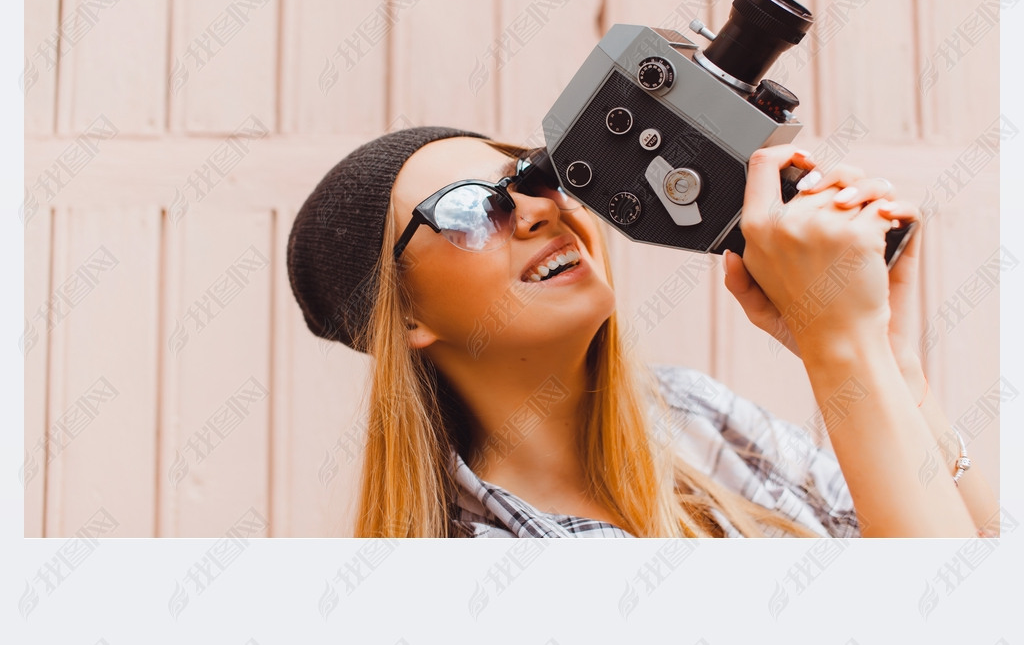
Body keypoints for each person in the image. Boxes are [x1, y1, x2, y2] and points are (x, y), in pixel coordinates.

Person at [286, 126, 997, 538]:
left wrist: (895, 370)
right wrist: (841, 352)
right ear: (406, 316)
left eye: (533, 177)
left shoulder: (689, 417)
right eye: (473, 211)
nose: (537, 211)